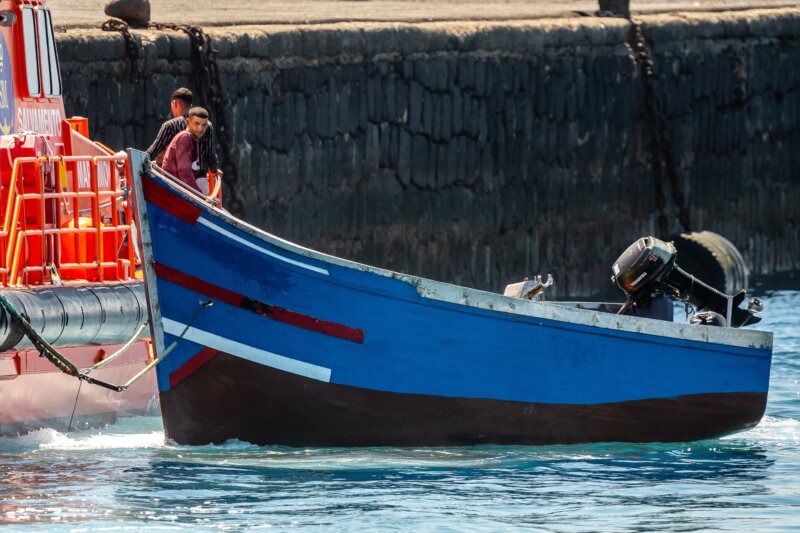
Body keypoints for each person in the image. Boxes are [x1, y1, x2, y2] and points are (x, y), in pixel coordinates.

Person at [146, 88, 220, 186]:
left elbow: (152, 152)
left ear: (174, 103)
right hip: (201, 181)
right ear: (191, 106)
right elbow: (211, 158)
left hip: (174, 183)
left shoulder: (170, 125)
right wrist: (215, 171)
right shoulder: (207, 125)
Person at [162, 107, 210, 193]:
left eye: (204, 125)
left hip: (177, 188)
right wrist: (199, 195)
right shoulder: (185, 137)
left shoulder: (193, 139)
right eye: (197, 123)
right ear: (188, 122)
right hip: (173, 189)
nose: (201, 128)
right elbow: (185, 173)